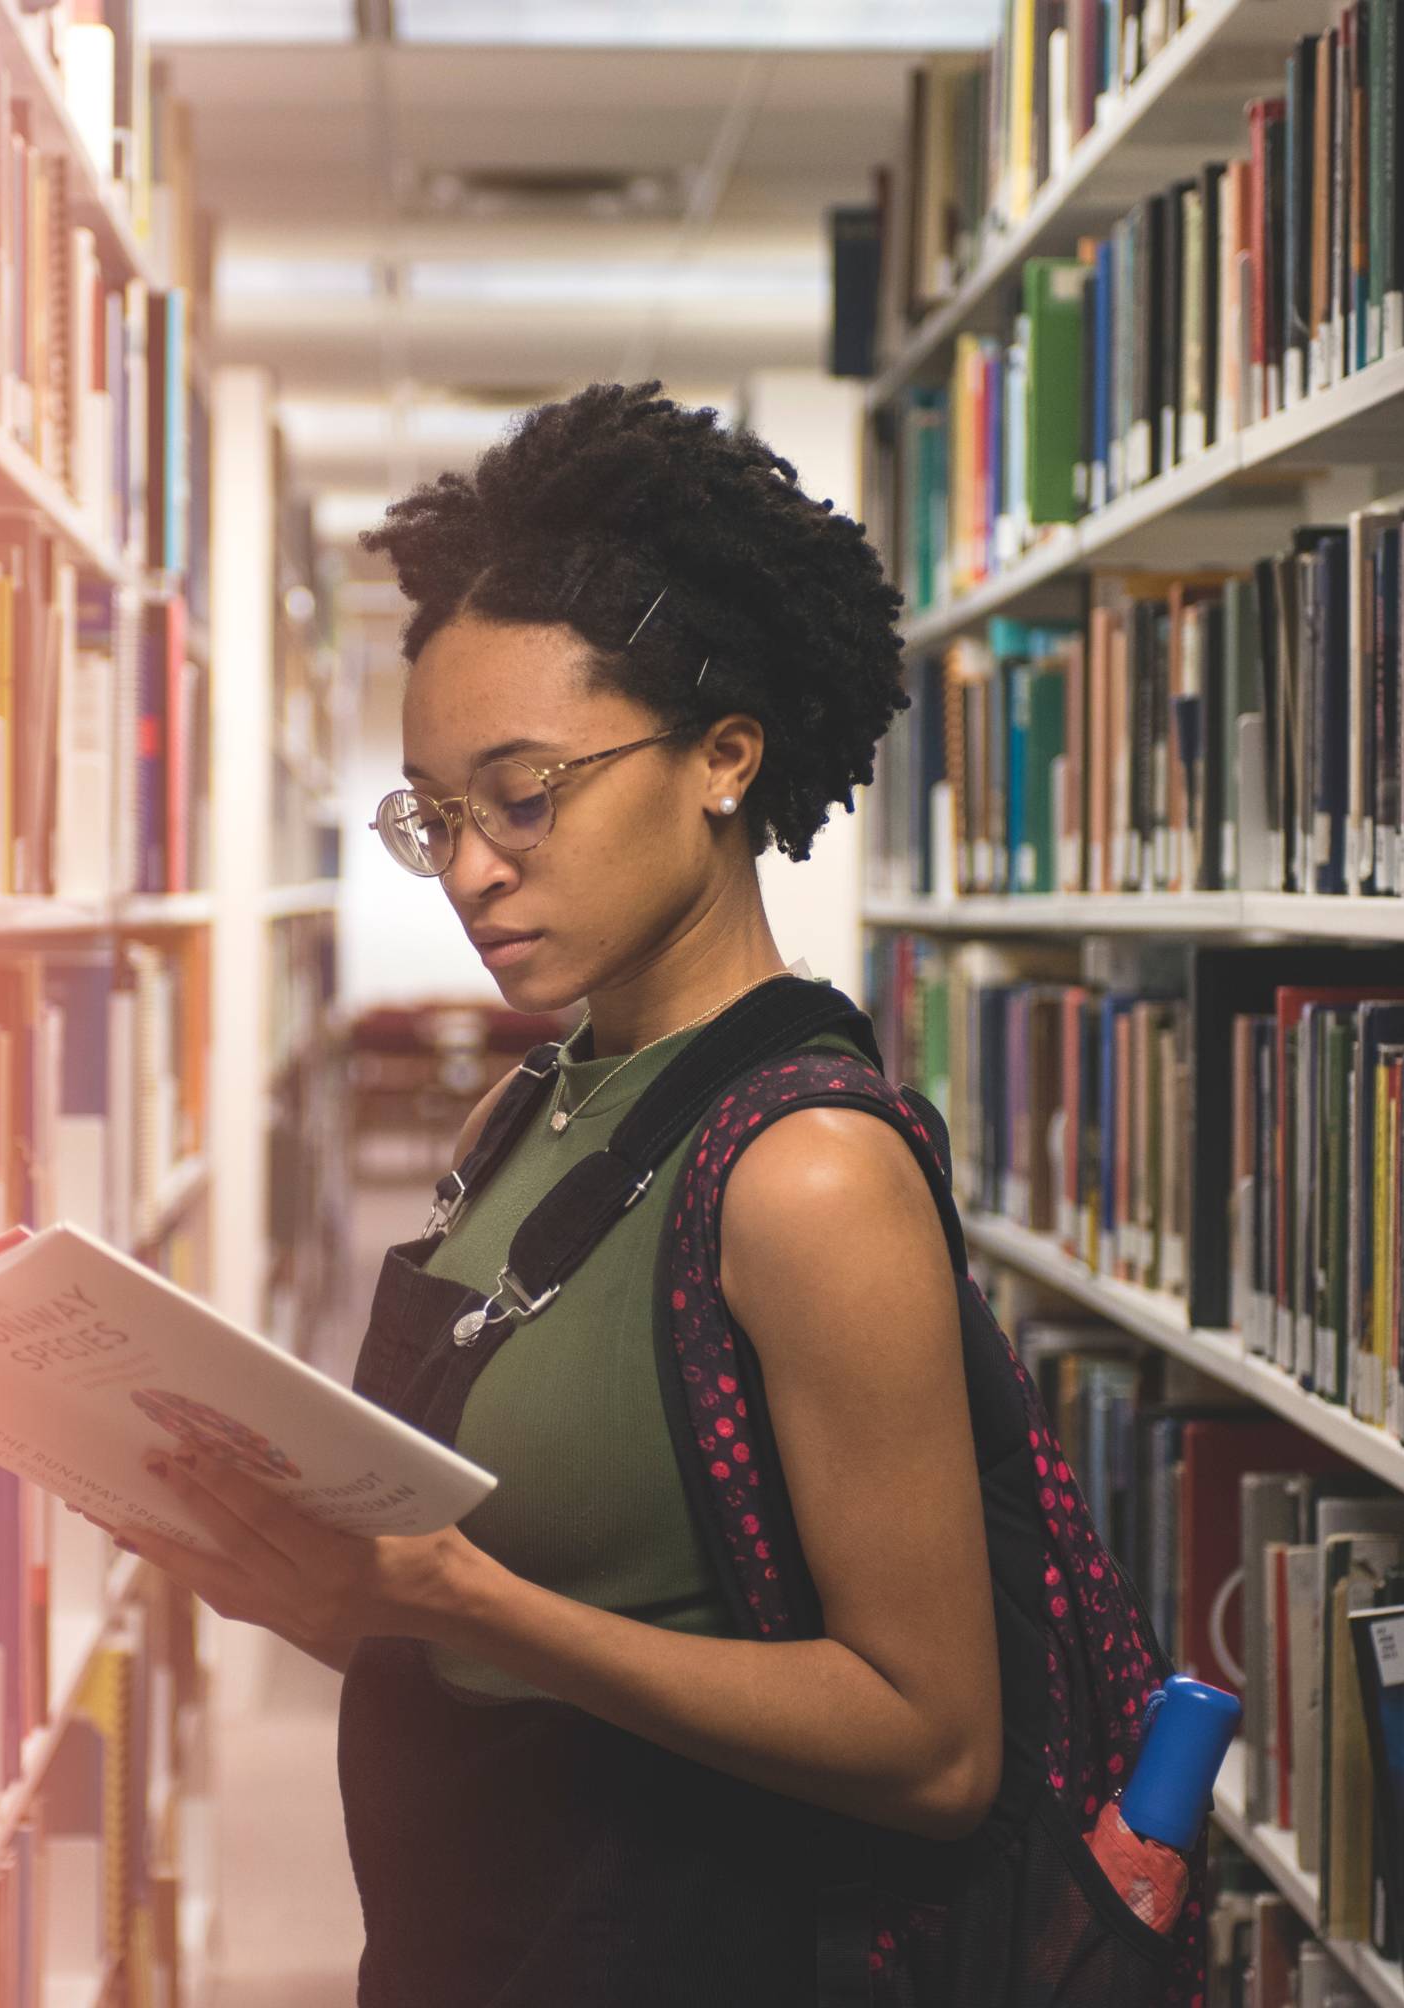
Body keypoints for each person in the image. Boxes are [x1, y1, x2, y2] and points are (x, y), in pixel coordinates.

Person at [117, 384, 1174, 2005]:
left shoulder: (808, 1174)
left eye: (525, 794)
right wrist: (328, 1589)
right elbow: (524, 1629)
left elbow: (936, 1743)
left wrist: (468, 1598)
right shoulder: (526, 1111)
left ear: (723, 760)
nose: (473, 866)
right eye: (436, 814)